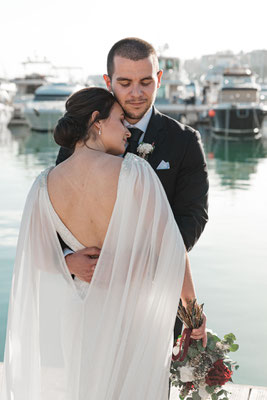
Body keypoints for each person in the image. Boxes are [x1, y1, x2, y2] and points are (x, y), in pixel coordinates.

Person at [0, 87, 206, 399]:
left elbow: (36, 258)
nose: (127, 130)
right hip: (132, 314)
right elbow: (172, 248)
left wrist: (69, 261)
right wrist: (192, 313)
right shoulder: (134, 172)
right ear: (97, 121)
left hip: (80, 316)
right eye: (121, 120)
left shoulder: (44, 184)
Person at [56, 38, 209, 342]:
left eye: (145, 82)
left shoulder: (185, 141)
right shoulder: (81, 137)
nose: (136, 93)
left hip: (154, 297)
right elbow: (58, 204)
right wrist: (66, 258)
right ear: (108, 81)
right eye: (125, 83)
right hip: (88, 299)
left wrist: (146, 263)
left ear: (159, 79)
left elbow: (192, 217)